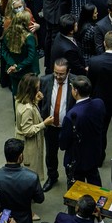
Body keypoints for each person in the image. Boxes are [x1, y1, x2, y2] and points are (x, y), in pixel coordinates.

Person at [59, 75, 106, 186]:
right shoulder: (99, 103)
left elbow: (63, 144)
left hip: (76, 160)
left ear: (75, 91)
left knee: (76, 192)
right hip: (94, 155)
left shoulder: (71, 116)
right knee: (96, 188)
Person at [38, 60, 75, 192]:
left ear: (68, 72)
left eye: (61, 74)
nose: (58, 77)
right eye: (56, 73)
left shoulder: (75, 83)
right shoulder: (44, 80)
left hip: (68, 128)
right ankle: (52, 177)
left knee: (71, 156)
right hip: (51, 126)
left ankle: (71, 179)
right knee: (51, 155)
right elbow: (39, 101)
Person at [14, 73, 54, 182]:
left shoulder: (19, 100)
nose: (39, 90)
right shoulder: (28, 109)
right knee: (30, 174)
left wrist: (36, 101)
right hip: (29, 146)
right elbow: (27, 131)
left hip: (22, 142)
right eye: (37, 88)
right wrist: (44, 124)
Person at [0, 9, 39, 96]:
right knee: (29, 95)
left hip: (13, 71)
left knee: (16, 94)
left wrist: (13, 64)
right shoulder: (29, 37)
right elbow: (31, 57)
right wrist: (19, 67)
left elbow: (4, 51)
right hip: (28, 72)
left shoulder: (7, 34)